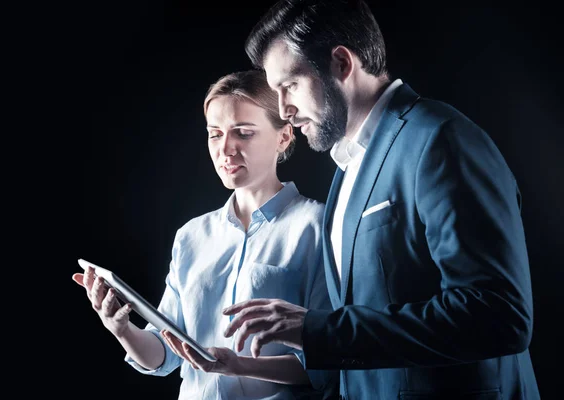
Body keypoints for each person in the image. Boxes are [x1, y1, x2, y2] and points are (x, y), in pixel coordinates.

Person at [221, 1, 541, 399]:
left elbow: (499, 316)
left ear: (341, 63)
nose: (285, 110)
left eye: (290, 86)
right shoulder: (346, 171)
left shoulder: (440, 140)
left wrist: (315, 329)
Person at [72, 69, 337, 399]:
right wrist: (120, 328)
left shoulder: (318, 227)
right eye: (215, 134)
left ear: (284, 136)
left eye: (243, 133)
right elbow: (163, 354)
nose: (226, 149)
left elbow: (329, 362)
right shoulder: (191, 236)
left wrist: (235, 365)